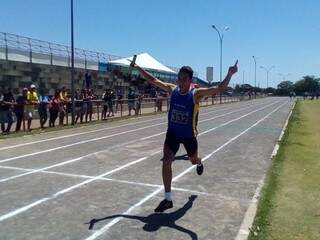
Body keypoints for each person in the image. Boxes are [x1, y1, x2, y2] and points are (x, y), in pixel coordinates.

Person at [131, 60, 238, 212]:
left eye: (184, 79)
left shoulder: (196, 94)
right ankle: (168, 199)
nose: (180, 81)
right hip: (173, 134)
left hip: (189, 136)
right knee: (166, 161)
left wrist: (230, 74)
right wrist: (138, 68)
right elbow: (153, 80)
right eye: (179, 78)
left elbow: (219, 88)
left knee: (193, 161)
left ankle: (199, 162)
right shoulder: (172, 89)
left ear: (190, 80)